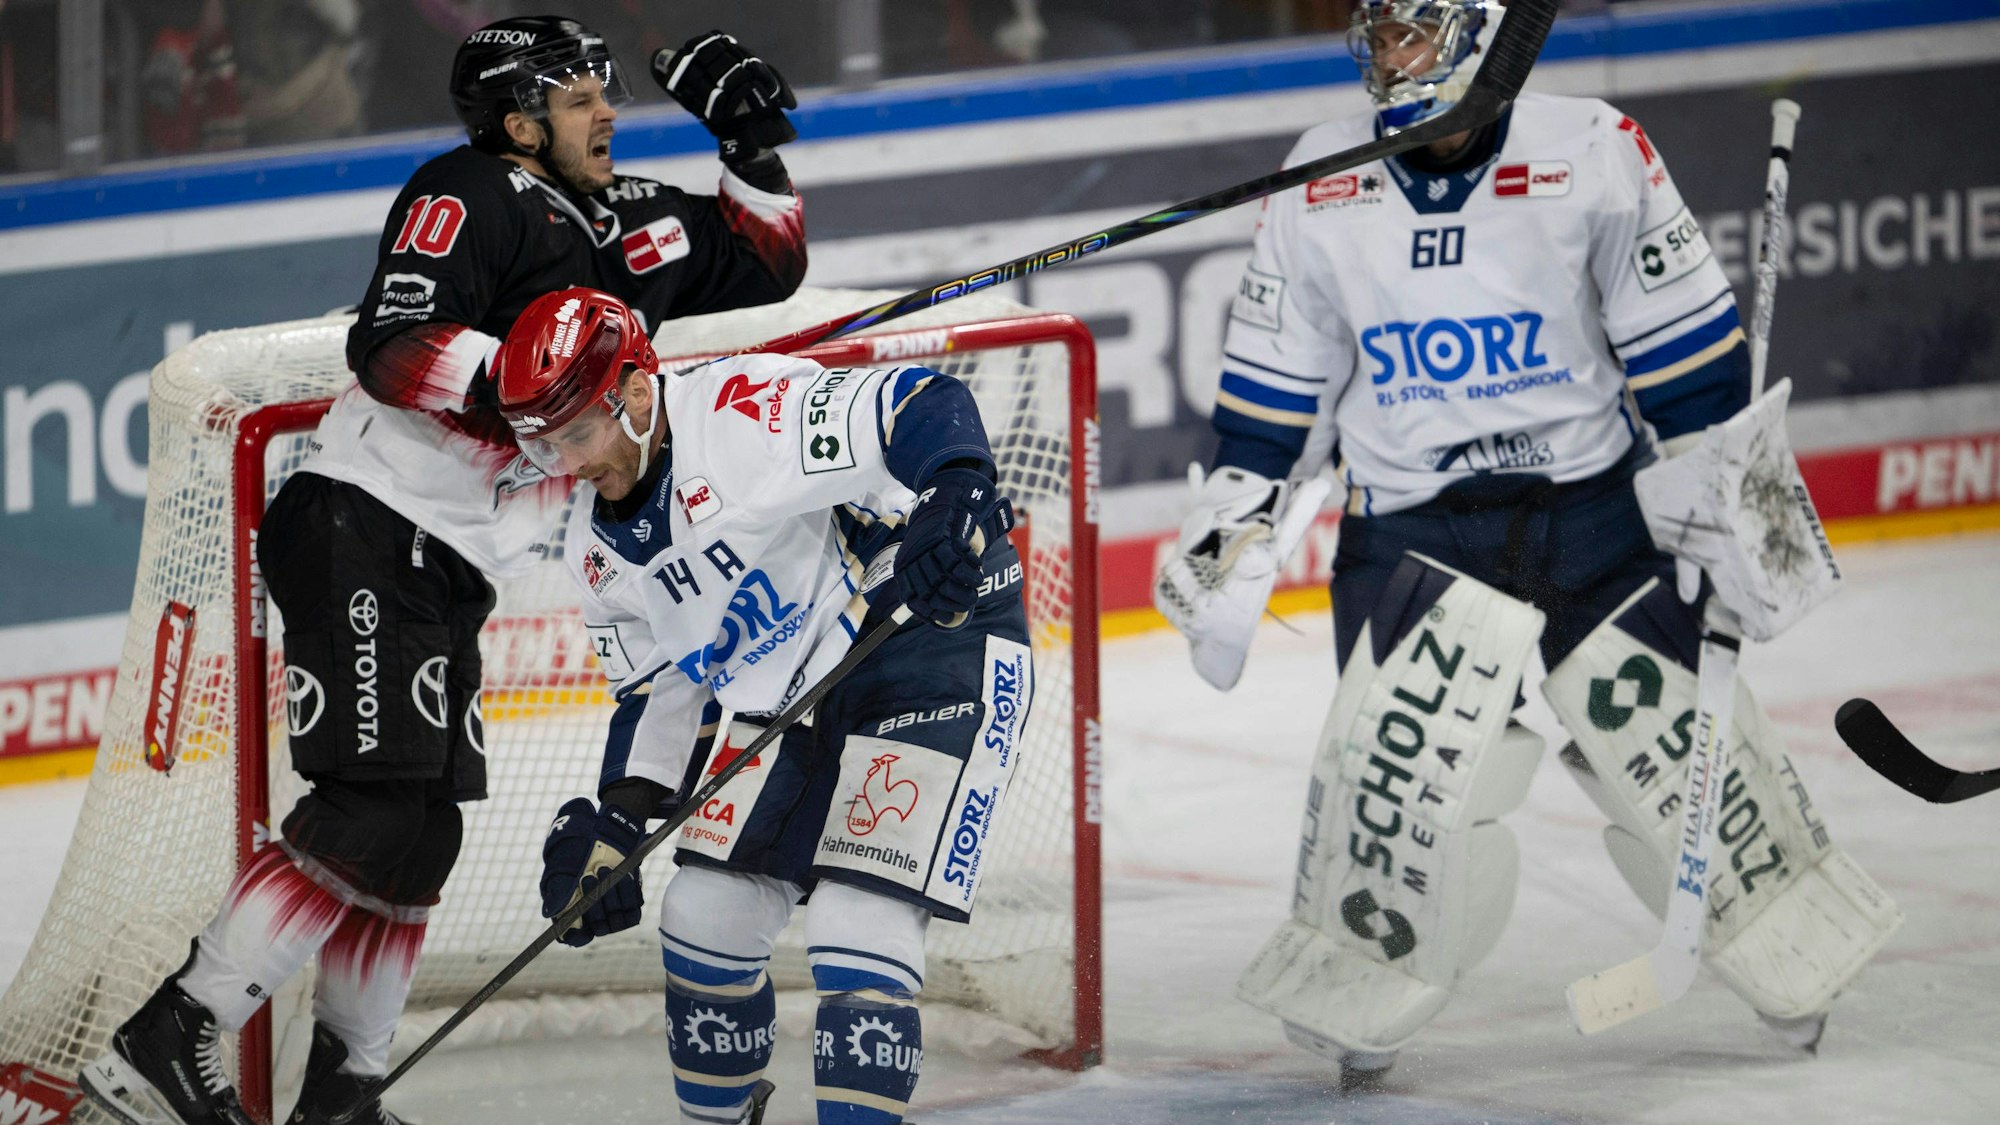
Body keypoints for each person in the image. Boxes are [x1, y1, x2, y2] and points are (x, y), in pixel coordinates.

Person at [1157, 0, 1898, 1090]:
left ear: (1473, 33)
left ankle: (1791, 943)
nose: (1386, 55)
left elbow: (1689, 367)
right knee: (1406, 809)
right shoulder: (1316, 180)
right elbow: (1272, 402)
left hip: (1587, 524)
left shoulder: (1592, 151)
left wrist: (1731, 490)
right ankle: (1369, 978)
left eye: (1409, 30)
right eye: (1376, 31)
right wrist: (1232, 527)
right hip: (1411, 539)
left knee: (1684, 776)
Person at [80, 17, 807, 1125]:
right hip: (362, 524)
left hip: (448, 560)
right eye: (575, 99)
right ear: (518, 125)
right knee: (369, 811)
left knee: (425, 830)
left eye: (601, 93)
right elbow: (395, 339)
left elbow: (768, 259)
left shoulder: (633, 219)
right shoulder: (469, 190)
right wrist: (544, 389)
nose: (604, 112)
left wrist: (751, 149)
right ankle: (171, 1032)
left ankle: (346, 1091)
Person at [494, 287, 1032, 1125]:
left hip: (930, 627)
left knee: (857, 926)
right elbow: (659, 688)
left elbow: (923, 401)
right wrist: (617, 825)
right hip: (798, 688)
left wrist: (955, 490)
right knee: (701, 916)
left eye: (576, 433)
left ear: (637, 394)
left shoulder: (741, 413)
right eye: (545, 441)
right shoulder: (595, 554)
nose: (568, 461)